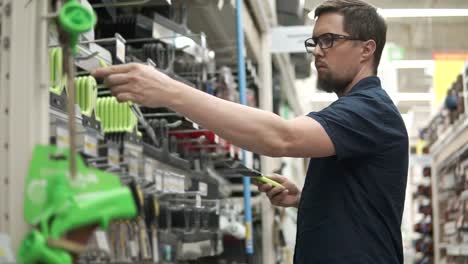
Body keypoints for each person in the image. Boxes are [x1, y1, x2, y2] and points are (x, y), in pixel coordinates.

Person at [92, 0, 408, 263]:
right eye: (314, 42)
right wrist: (307, 199)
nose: (317, 51)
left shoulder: (370, 110)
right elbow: (364, 201)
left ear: (367, 49)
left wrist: (168, 92)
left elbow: (282, 137)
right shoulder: (359, 113)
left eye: (329, 40)